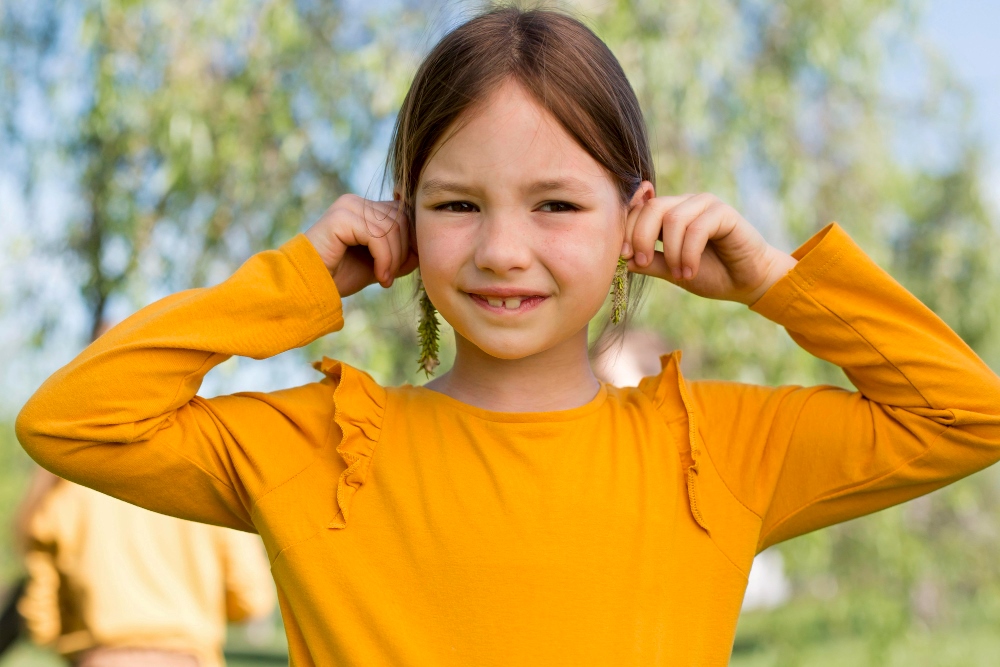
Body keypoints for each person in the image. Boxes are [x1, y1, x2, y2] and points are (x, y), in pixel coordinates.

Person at [13, 6, 1000, 665]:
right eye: (455, 204)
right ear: (399, 220)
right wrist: (298, 277)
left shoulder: (719, 451)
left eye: (558, 204)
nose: (501, 250)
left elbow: (965, 414)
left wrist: (777, 284)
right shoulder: (317, 448)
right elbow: (75, 423)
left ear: (635, 219)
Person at [16, 471, 275, 667]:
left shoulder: (63, 490)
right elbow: (251, 599)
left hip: (101, 658)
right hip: (188, 659)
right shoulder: (205, 487)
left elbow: (42, 619)